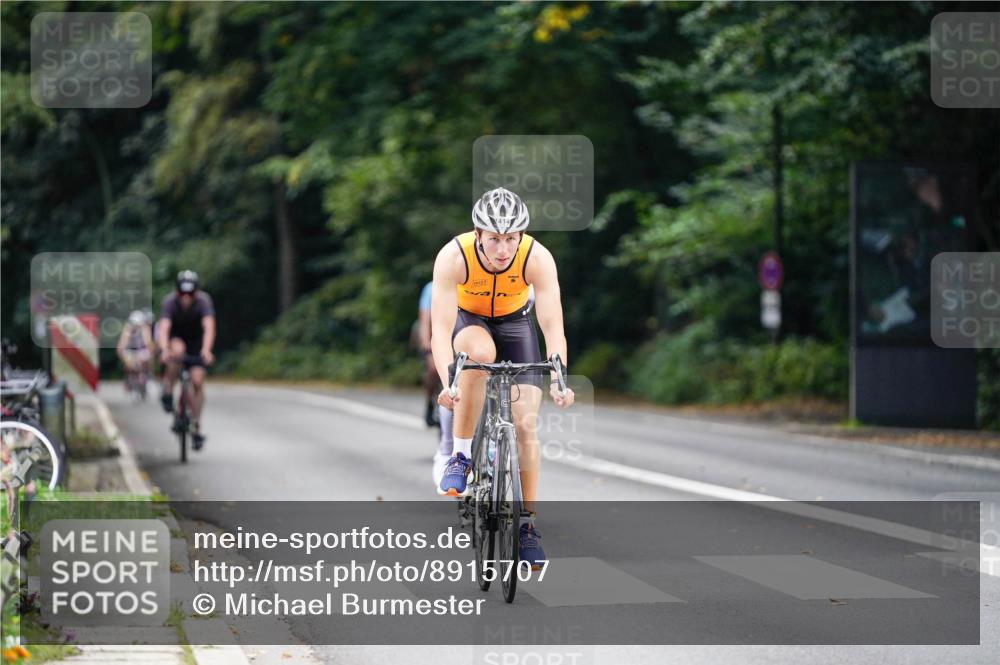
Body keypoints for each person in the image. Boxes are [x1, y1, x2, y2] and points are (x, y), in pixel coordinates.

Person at [430, 186, 575, 568]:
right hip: (470, 322)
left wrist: (559, 375)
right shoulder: (453, 256)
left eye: (511, 238)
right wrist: (449, 382)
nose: (503, 249)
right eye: (494, 238)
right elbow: (440, 330)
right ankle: (461, 457)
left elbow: (552, 324)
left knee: (526, 423)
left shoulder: (537, 258)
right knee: (479, 356)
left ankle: (527, 527)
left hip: (517, 324)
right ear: (478, 234)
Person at [157, 270, 216, 450]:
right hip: (176, 339)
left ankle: (196, 427)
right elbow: (164, 328)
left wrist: (206, 350)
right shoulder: (169, 303)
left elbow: (209, 327)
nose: (186, 298)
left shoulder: (204, 302)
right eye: (182, 293)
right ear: (177, 292)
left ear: (196, 292)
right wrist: (164, 349)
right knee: (177, 350)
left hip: (196, 343)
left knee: (198, 381)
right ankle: (168, 388)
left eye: (190, 293)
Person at [418, 281, 456, 488]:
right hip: (437, 337)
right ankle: (429, 403)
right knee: (433, 370)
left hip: (461, 337)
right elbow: (425, 321)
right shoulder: (431, 289)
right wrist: (427, 348)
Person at [117, 310, 154, 394]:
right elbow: (123, 342)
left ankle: (146, 378)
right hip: (130, 350)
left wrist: (149, 351)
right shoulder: (127, 328)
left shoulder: (145, 328)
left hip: (141, 349)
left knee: (145, 360)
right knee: (128, 364)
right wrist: (121, 351)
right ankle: (129, 380)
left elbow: (147, 342)